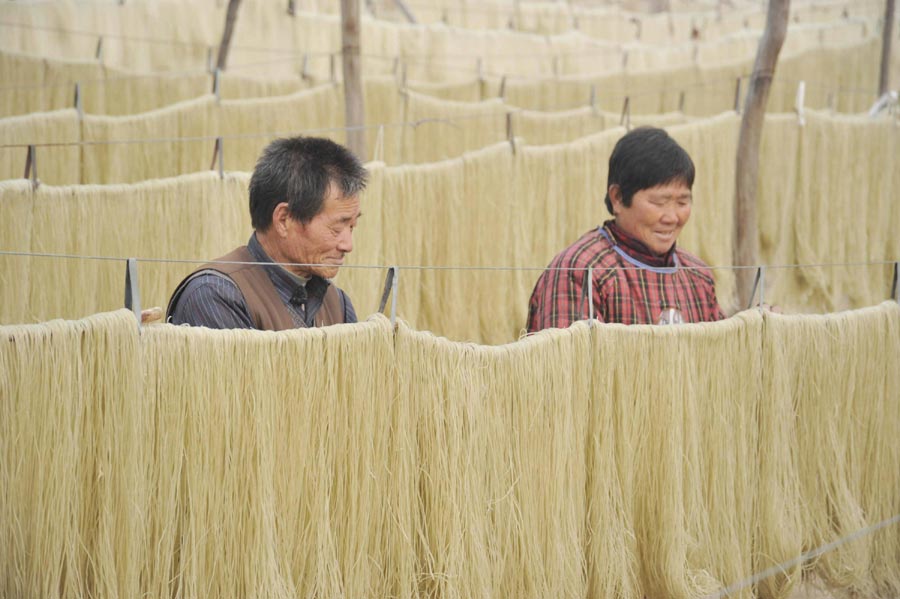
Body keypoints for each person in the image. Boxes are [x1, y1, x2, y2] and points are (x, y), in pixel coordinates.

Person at [526, 127, 725, 331]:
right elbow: (568, 359)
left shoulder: (698, 276)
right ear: (618, 198)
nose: (672, 217)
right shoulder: (581, 270)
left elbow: (723, 353)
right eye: (659, 202)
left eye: (682, 202)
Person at [167, 136, 366, 330]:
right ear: (284, 220)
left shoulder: (338, 305)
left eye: (352, 227)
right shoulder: (215, 297)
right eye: (336, 228)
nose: (348, 245)